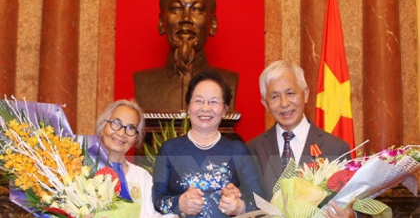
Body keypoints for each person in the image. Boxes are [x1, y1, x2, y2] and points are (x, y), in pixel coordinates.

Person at [246, 60, 356, 218]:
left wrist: (351, 216)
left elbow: (354, 207)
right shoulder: (251, 150)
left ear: (305, 94)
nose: (284, 103)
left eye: (290, 93)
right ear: (265, 103)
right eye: (275, 96)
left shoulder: (336, 149)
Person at [152, 70, 263, 217]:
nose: (205, 108)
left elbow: (260, 201)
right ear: (188, 107)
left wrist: (240, 207)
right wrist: (179, 204)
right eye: (198, 100)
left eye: (213, 102)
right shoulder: (170, 149)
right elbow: (156, 201)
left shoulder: (237, 150)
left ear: (225, 110)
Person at [133, 0, 239, 111]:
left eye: (197, 10)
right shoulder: (143, 83)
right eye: (176, 9)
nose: (186, 19)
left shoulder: (228, 81)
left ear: (212, 24)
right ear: (161, 22)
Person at [95, 100, 176, 218]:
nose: (122, 133)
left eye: (130, 128)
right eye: (116, 122)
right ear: (103, 127)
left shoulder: (142, 178)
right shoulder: (80, 170)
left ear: (136, 138)